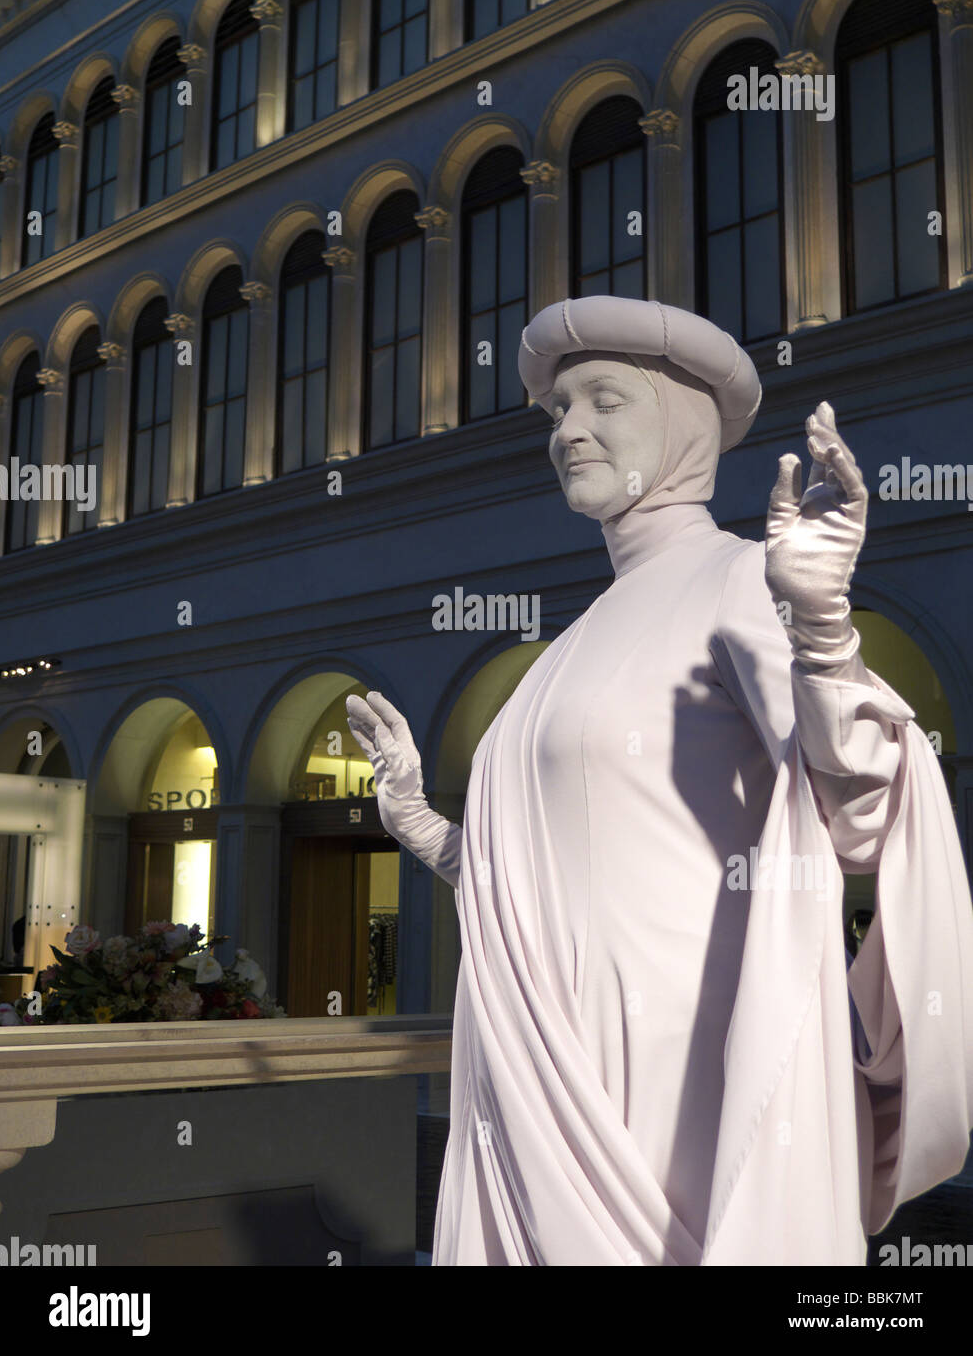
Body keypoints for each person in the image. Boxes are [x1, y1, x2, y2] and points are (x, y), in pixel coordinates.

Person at [347, 296, 973, 1266]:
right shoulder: (570, 645)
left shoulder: (737, 581)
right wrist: (420, 824)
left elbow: (864, 805)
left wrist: (821, 638)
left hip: (670, 1085)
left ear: (681, 427)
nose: (569, 430)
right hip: (540, 1083)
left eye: (604, 401)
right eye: (559, 409)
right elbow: (534, 881)